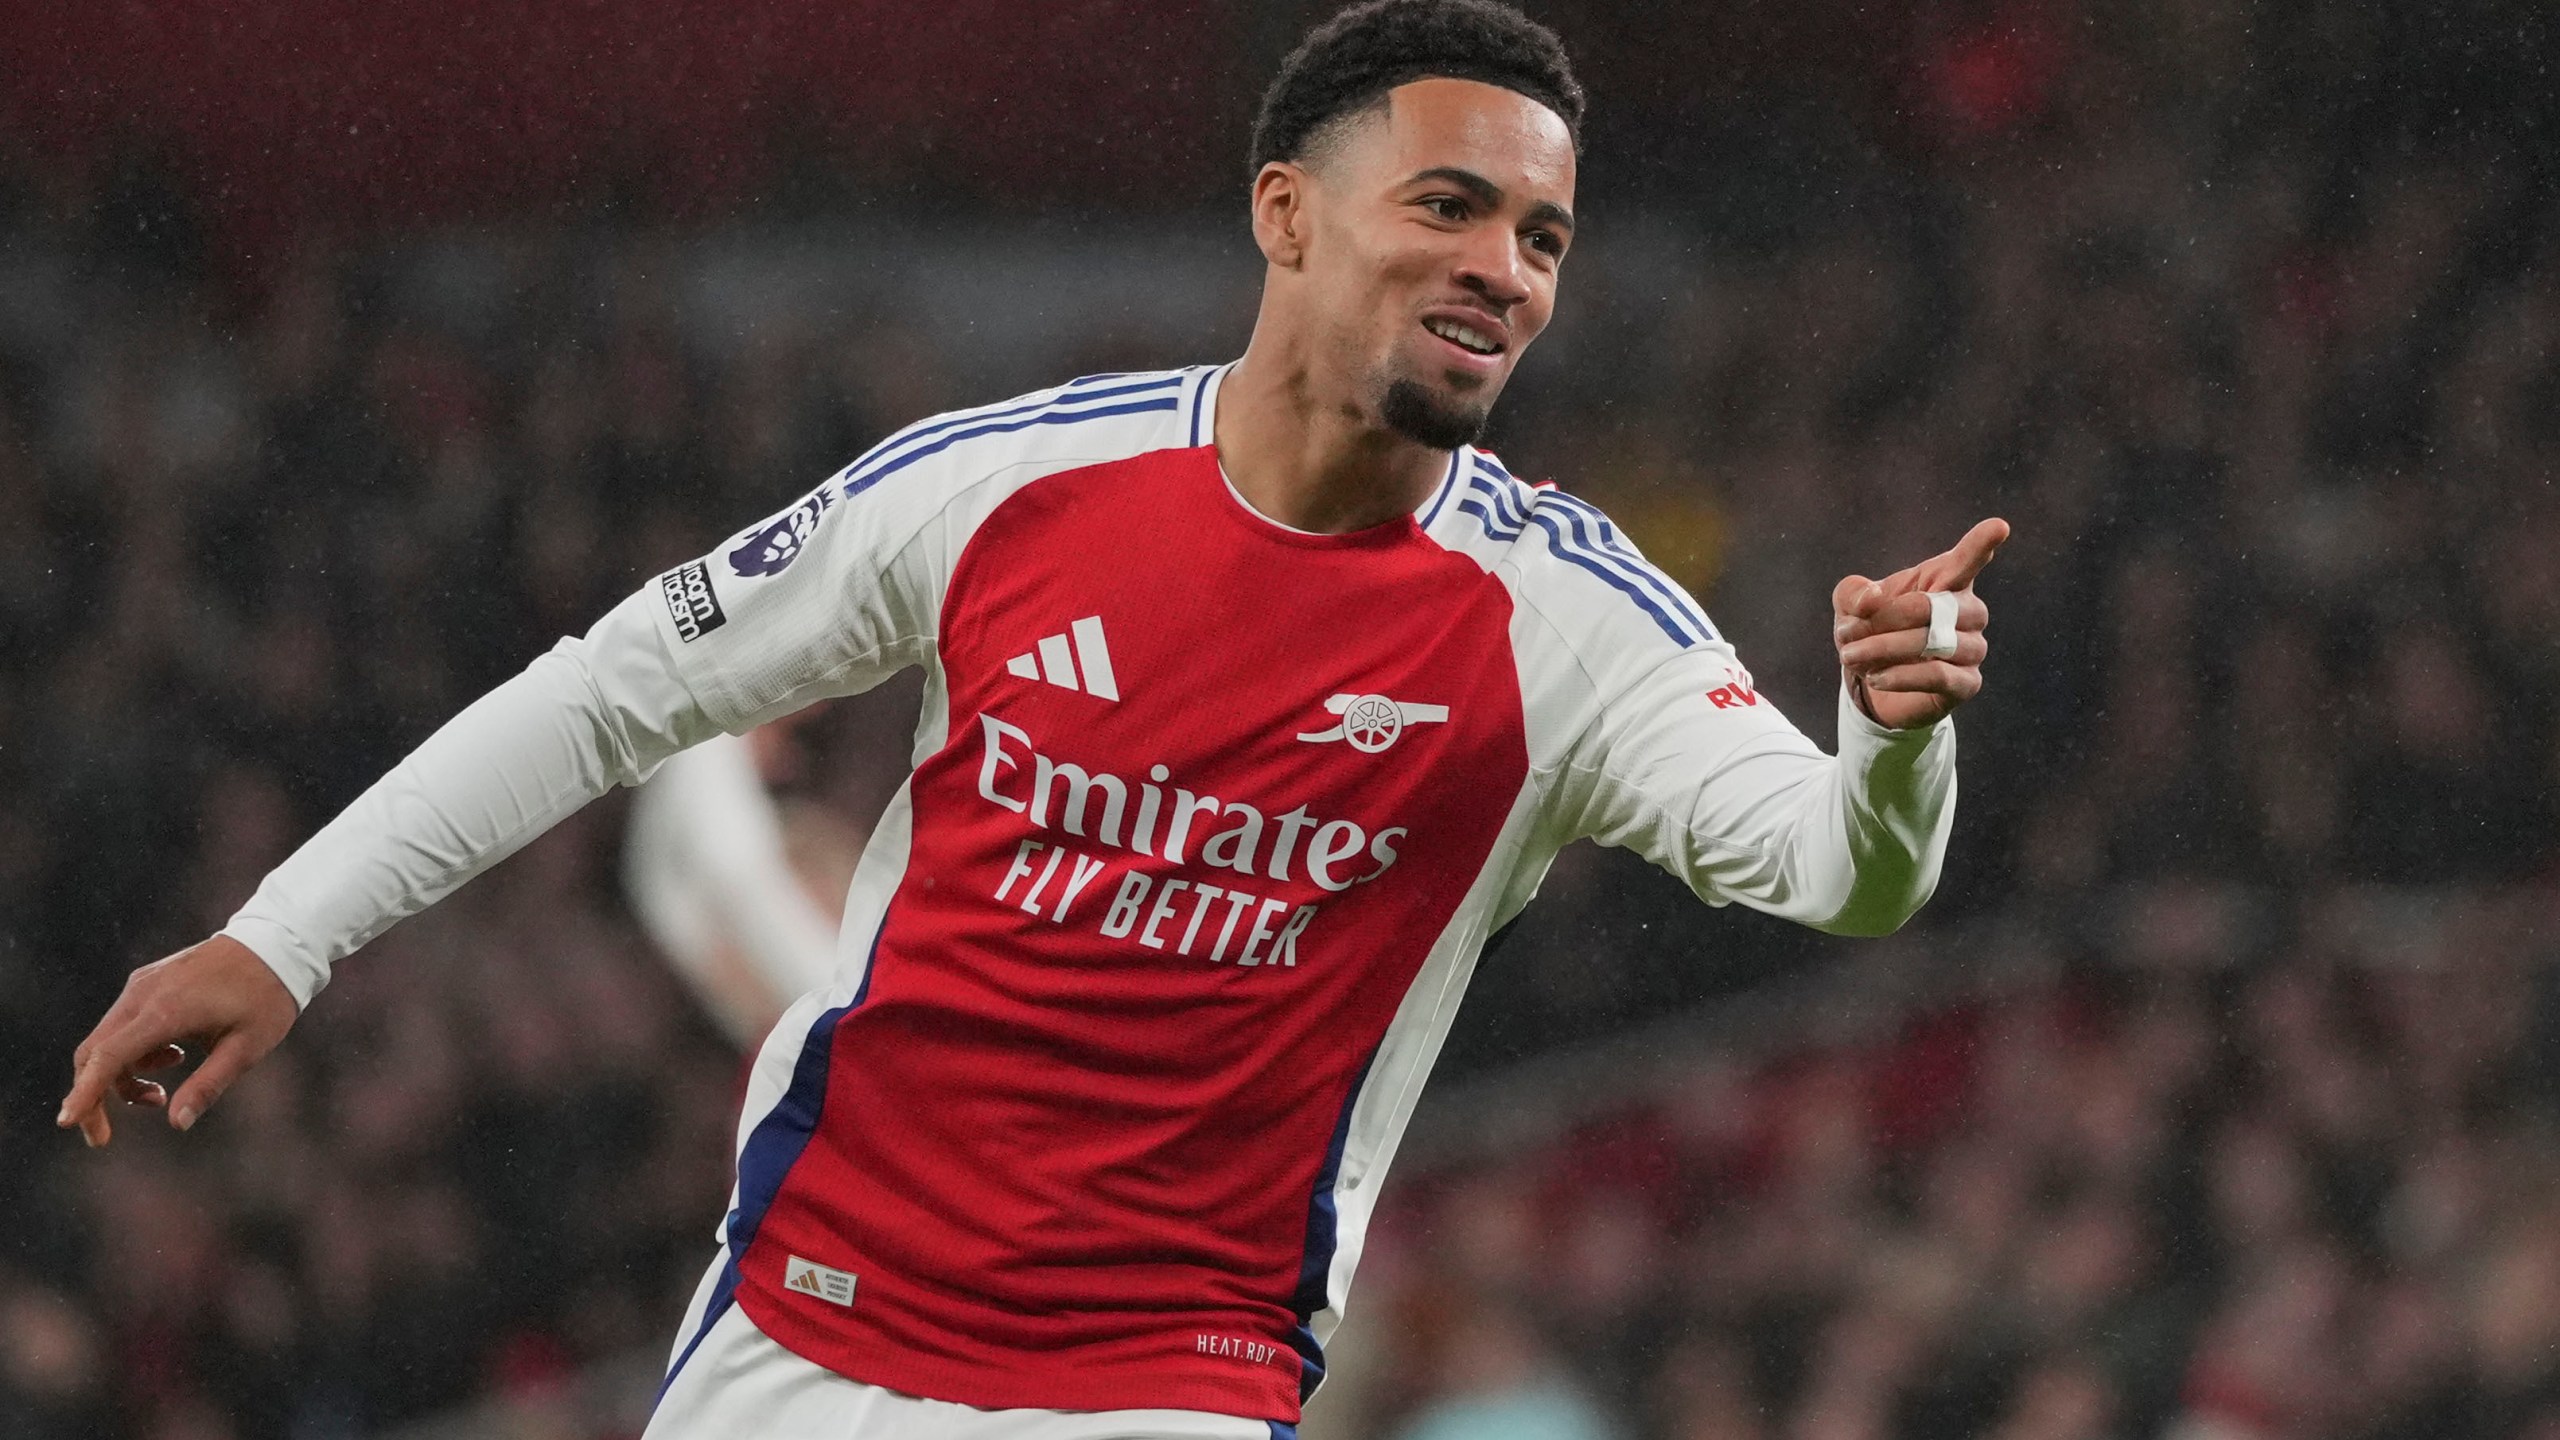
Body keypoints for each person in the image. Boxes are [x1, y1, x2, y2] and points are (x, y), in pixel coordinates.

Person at [57, 2, 2004, 1435]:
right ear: (1286, 217)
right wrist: (276, 938)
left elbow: (1843, 878)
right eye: (1450, 206)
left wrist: (1893, 729)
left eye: (1543, 239)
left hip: (1163, 1378)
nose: (1501, 269)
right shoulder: (1008, 488)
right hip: (804, 1323)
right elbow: (613, 691)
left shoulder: (1568, 624)